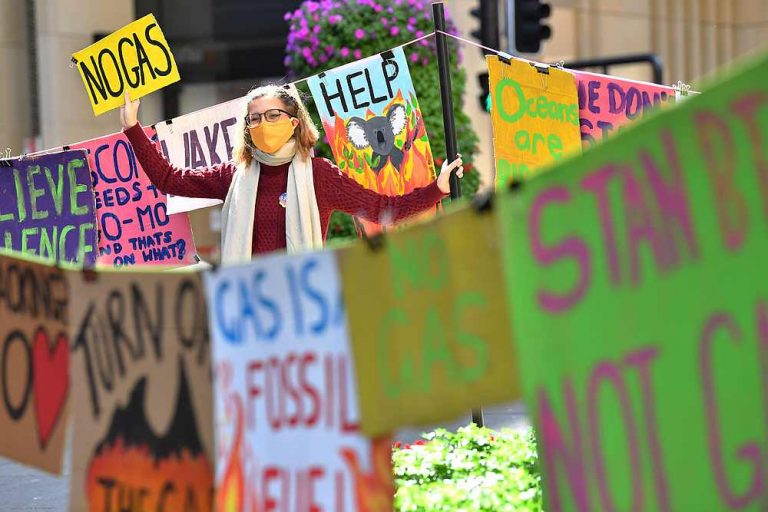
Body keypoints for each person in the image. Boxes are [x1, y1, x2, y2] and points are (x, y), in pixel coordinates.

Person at [119, 85, 463, 264]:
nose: (262, 125)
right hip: (247, 309)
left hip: (302, 310)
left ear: (294, 122)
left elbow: (382, 209)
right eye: (254, 119)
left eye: (272, 116)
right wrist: (132, 127)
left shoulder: (318, 175)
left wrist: (437, 189)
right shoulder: (233, 175)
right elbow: (169, 180)